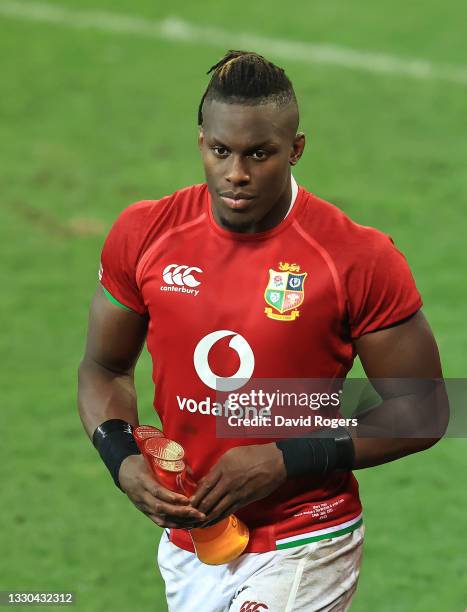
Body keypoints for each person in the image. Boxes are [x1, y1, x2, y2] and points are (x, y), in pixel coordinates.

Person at [78, 51, 448, 611]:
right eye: (221, 151)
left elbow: (424, 409)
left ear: (295, 150)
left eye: (259, 154)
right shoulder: (145, 234)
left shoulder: (356, 258)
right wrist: (121, 455)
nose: (237, 173)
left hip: (306, 536)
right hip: (195, 540)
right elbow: (104, 368)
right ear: (201, 142)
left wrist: (287, 456)